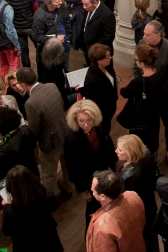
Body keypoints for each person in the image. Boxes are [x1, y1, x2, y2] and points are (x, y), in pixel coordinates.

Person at [17, 67, 75, 199]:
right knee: (67, 164)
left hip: (50, 142)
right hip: (65, 131)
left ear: (22, 84)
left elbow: (34, 130)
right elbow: (61, 106)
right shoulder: (52, 86)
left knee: (49, 173)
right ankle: (68, 185)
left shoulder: (31, 103)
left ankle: (53, 196)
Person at [64, 99, 118, 231]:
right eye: (81, 121)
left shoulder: (100, 129)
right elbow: (72, 167)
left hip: (105, 176)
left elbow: (108, 150)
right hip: (89, 182)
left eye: (88, 120)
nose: (85, 124)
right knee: (93, 213)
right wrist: (83, 189)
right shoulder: (71, 139)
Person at [135, 21, 168, 151]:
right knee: (150, 126)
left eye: (148, 35)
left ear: (158, 35)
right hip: (147, 96)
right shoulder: (142, 44)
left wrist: (156, 93)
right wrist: (142, 86)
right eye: (144, 33)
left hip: (164, 97)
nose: (144, 37)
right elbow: (136, 67)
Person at [2, 165, 63, 252]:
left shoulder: (11, 211)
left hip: (25, 246)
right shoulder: (46, 195)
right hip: (49, 241)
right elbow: (55, 206)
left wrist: (5, 207)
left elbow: (7, 231)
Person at [117, 44, 162, 157]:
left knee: (138, 146)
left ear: (142, 63)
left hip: (140, 120)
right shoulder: (158, 75)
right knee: (152, 144)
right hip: (154, 117)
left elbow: (125, 93)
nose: (135, 62)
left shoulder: (138, 82)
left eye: (136, 60)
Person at [116, 134, 158, 252]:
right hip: (149, 204)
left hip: (138, 214)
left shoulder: (128, 176)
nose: (116, 151)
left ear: (130, 152)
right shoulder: (147, 155)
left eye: (120, 150)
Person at [85, 170, 145, 252]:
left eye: (93, 191)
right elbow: (142, 223)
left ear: (102, 196)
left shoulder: (101, 227)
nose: (92, 191)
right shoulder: (133, 196)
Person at [31, 0, 71, 76]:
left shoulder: (61, 7)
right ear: (48, 4)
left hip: (65, 47)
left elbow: (67, 21)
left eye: (60, 0)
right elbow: (36, 36)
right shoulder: (39, 16)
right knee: (54, 73)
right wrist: (55, 39)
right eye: (57, 1)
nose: (60, 2)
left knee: (65, 69)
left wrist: (69, 38)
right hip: (51, 52)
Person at [82, 43, 118, 135]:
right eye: (107, 57)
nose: (110, 58)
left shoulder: (107, 67)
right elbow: (94, 103)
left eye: (110, 55)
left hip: (109, 110)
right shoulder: (93, 79)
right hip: (102, 115)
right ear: (98, 61)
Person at [7, 0, 36, 69]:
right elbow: (35, 9)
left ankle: (27, 72)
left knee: (24, 52)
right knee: (39, 48)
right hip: (30, 25)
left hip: (17, 27)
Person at [40, 38, 78, 108]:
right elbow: (57, 90)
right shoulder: (56, 70)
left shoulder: (45, 62)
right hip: (60, 100)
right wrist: (72, 90)